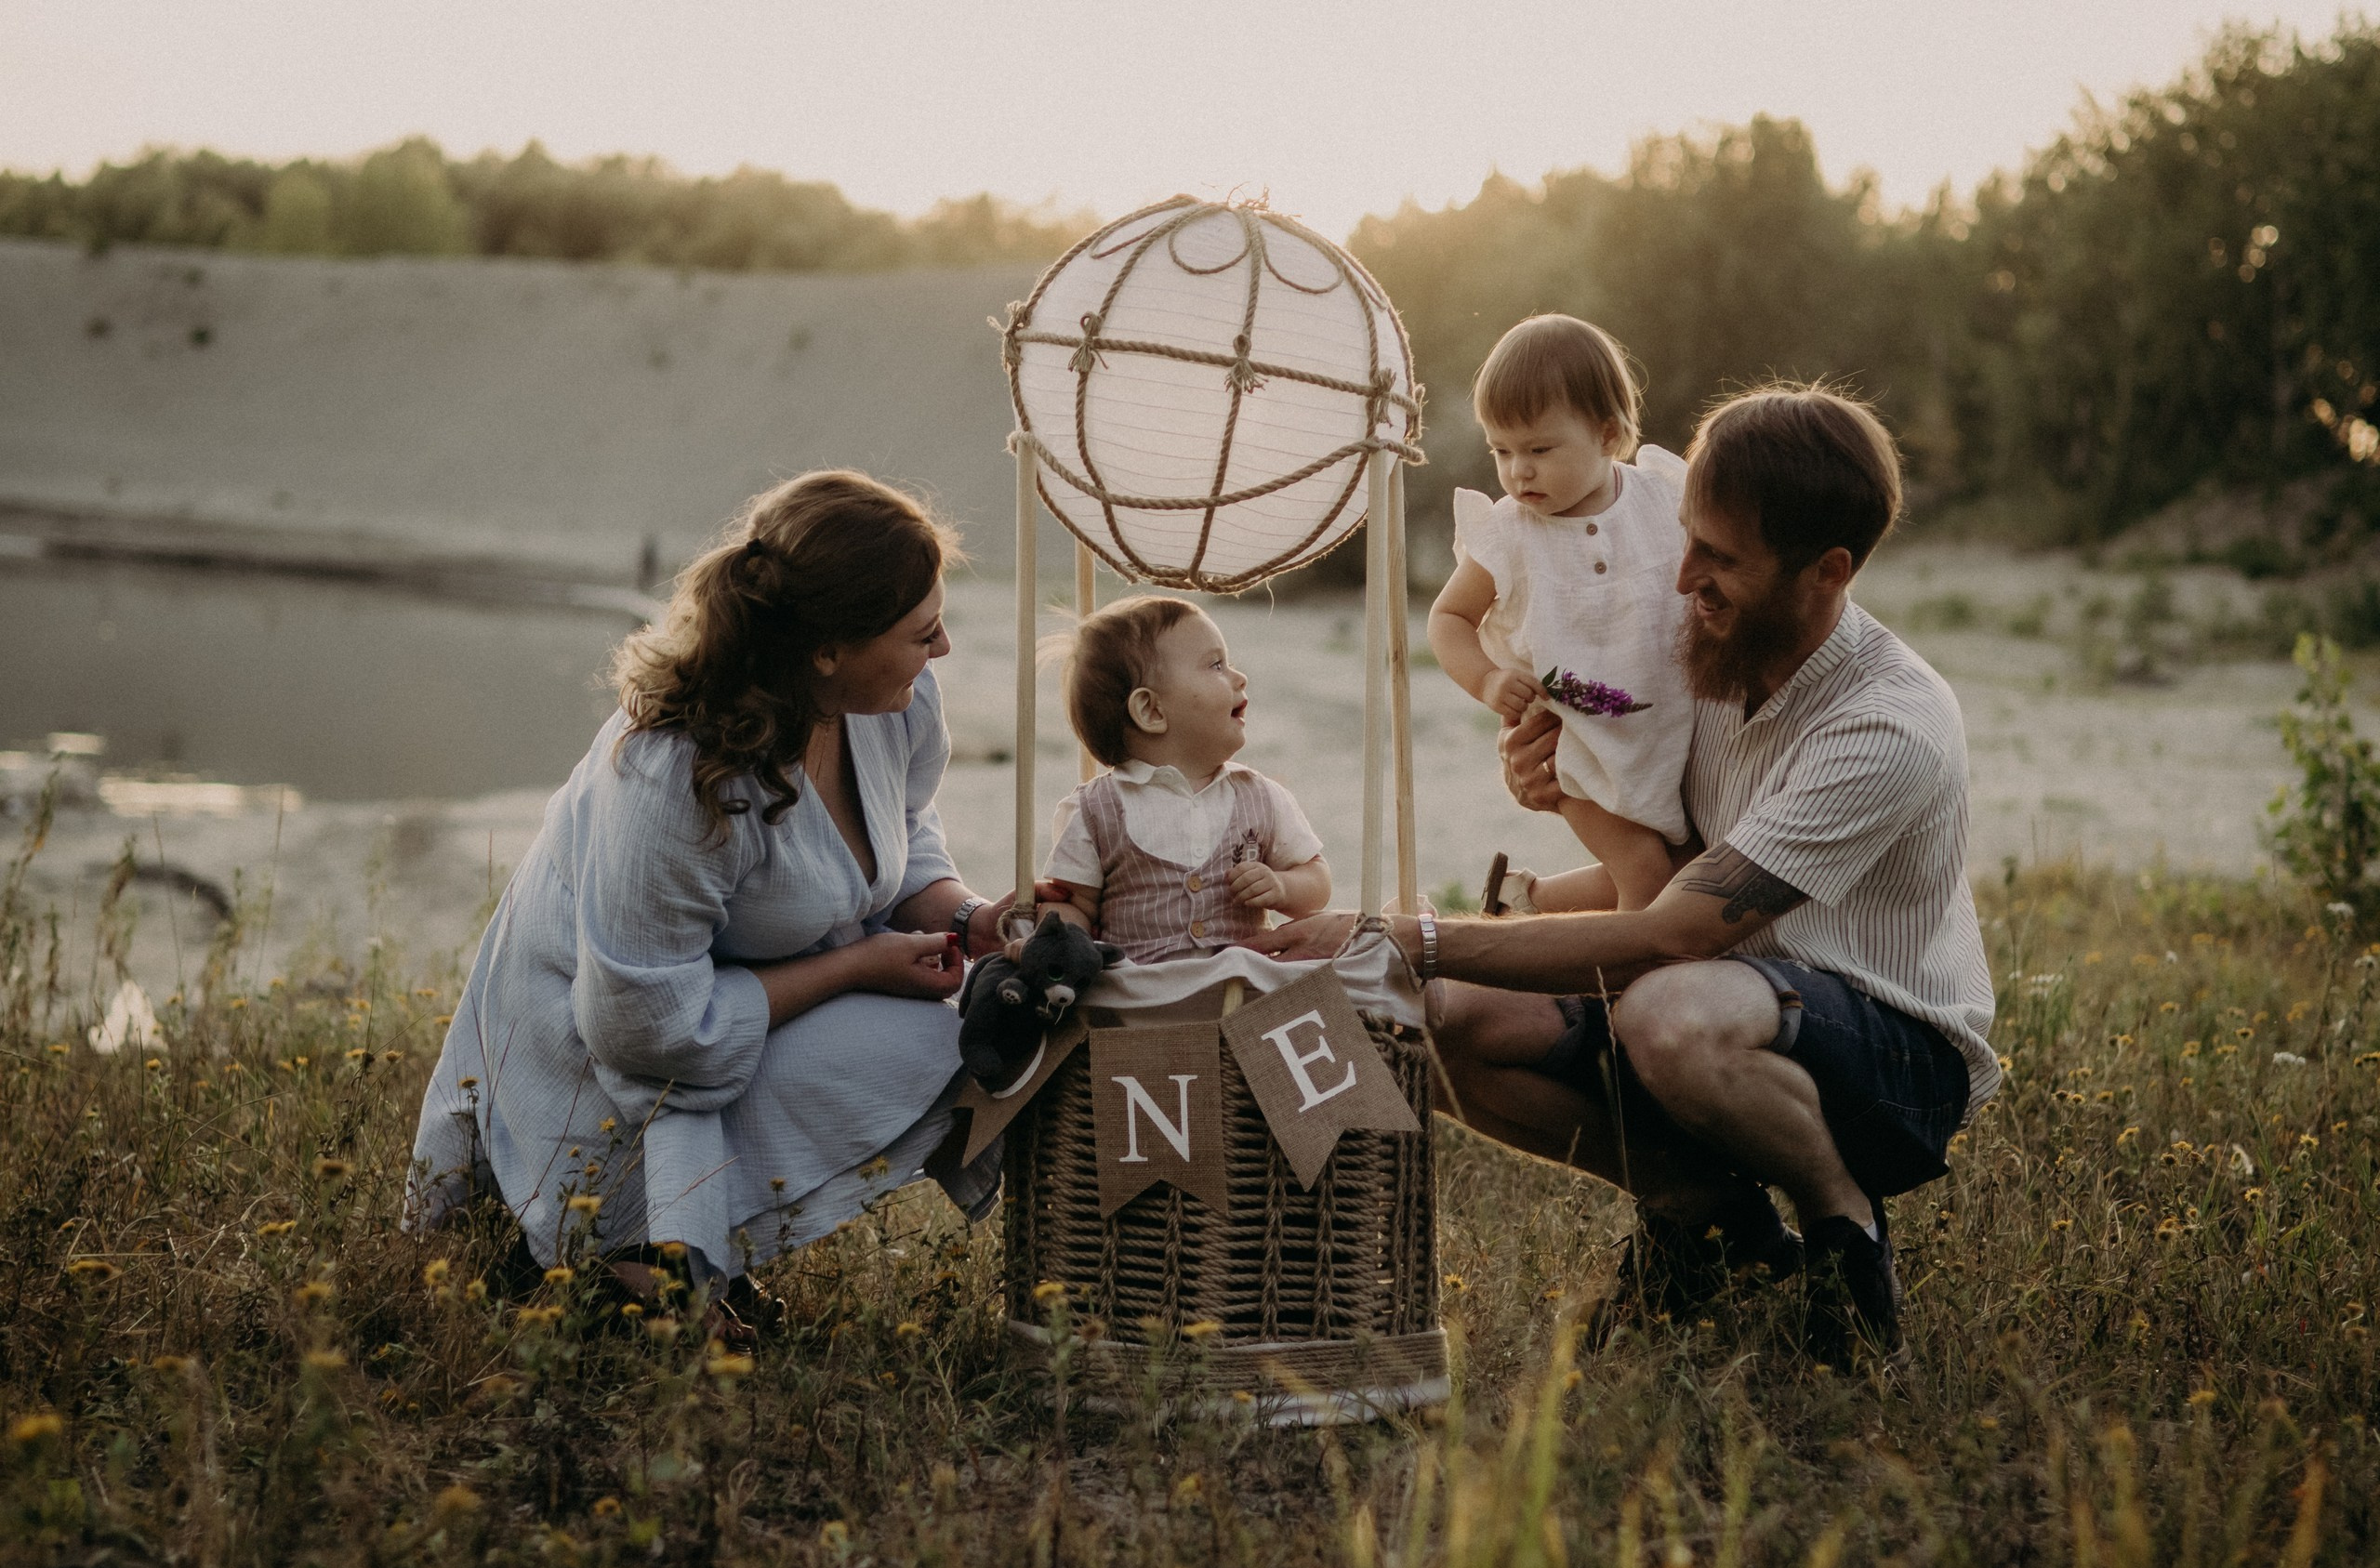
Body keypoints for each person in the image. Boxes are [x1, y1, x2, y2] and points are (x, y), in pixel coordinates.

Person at [1256, 386, 1997, 1366]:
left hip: (1890, 1058)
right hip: (1717, 993)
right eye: (1686, 538)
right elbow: (1669, 874)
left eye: (1720, 559)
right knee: (1433, 1014)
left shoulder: (1884, 723)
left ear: (1828, 572)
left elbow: (1681, 929)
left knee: (1665, 1009)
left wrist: (1409, 933)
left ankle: (1842, 1228)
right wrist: (1554, 813)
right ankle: (1709, 1219)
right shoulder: (1719, 654)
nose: (1682, 576)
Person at [406, 471, 1033, 1338]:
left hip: (736, 1006)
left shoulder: (894, 698)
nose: (946, 649)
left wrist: (966, 916)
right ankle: (596, 1247)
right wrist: (855, 965)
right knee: (946, 1039)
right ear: (826, 650)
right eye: (923, 633)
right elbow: (643, 1027)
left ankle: (698, 1248)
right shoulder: (674, 773)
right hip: (602, 1056)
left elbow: (904, 833)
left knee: (994, 1030)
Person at [1427, 315, 1692, 914]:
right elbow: (1448, 619)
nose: (1518, 470)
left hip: (1666, 737)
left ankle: (1523, 909)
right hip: (1572, 743)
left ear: (1606, 434)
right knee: (1647, 883)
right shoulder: (1509, 537)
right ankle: (1622, 993)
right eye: (1501, 450)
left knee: (1683, 874)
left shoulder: (1664, 498)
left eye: (1539, 449)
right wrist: (1487, 678)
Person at [1038, 595, 1330, 963]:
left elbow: (1317, 882)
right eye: (1216, 665)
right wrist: (1058, 942)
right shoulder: (1094, 811)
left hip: (1244, 998)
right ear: (1151, 710)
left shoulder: (1261, 797)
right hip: (1139, 1001)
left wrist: (1283, 886)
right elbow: (1075, 906)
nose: (1240, 677)